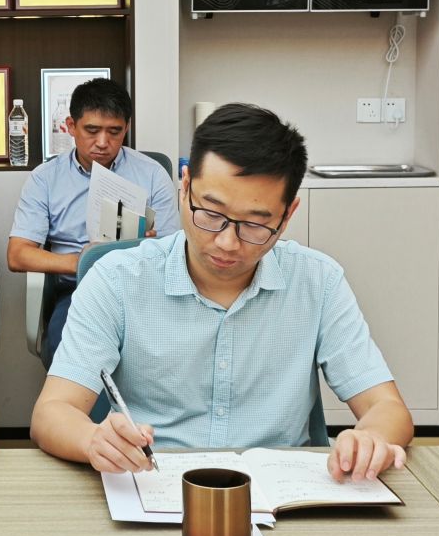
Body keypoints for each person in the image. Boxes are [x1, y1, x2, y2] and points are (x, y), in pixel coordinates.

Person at [32, 102, 412, 481]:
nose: (228, 243)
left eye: (255, 225)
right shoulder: (117, 279)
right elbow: (53, 412)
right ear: (185, 187)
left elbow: (386, 407)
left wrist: (371, 439)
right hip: (154, 483)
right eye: (211, 214)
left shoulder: (318, 281)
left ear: (287, 214)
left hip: (283, 490)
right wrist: (93, 440)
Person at [7, 77, 181, 366]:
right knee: (69, 354)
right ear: (71, 126)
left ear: (127, 127)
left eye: (114, 131)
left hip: (140, 287)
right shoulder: (45, 178)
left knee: (164, 353)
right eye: (91, 130)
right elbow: (18, 255)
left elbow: (174, 250)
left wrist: (151, 246)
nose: (103, 142)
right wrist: (82, 262)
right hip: (78, 288)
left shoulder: (152, 174)